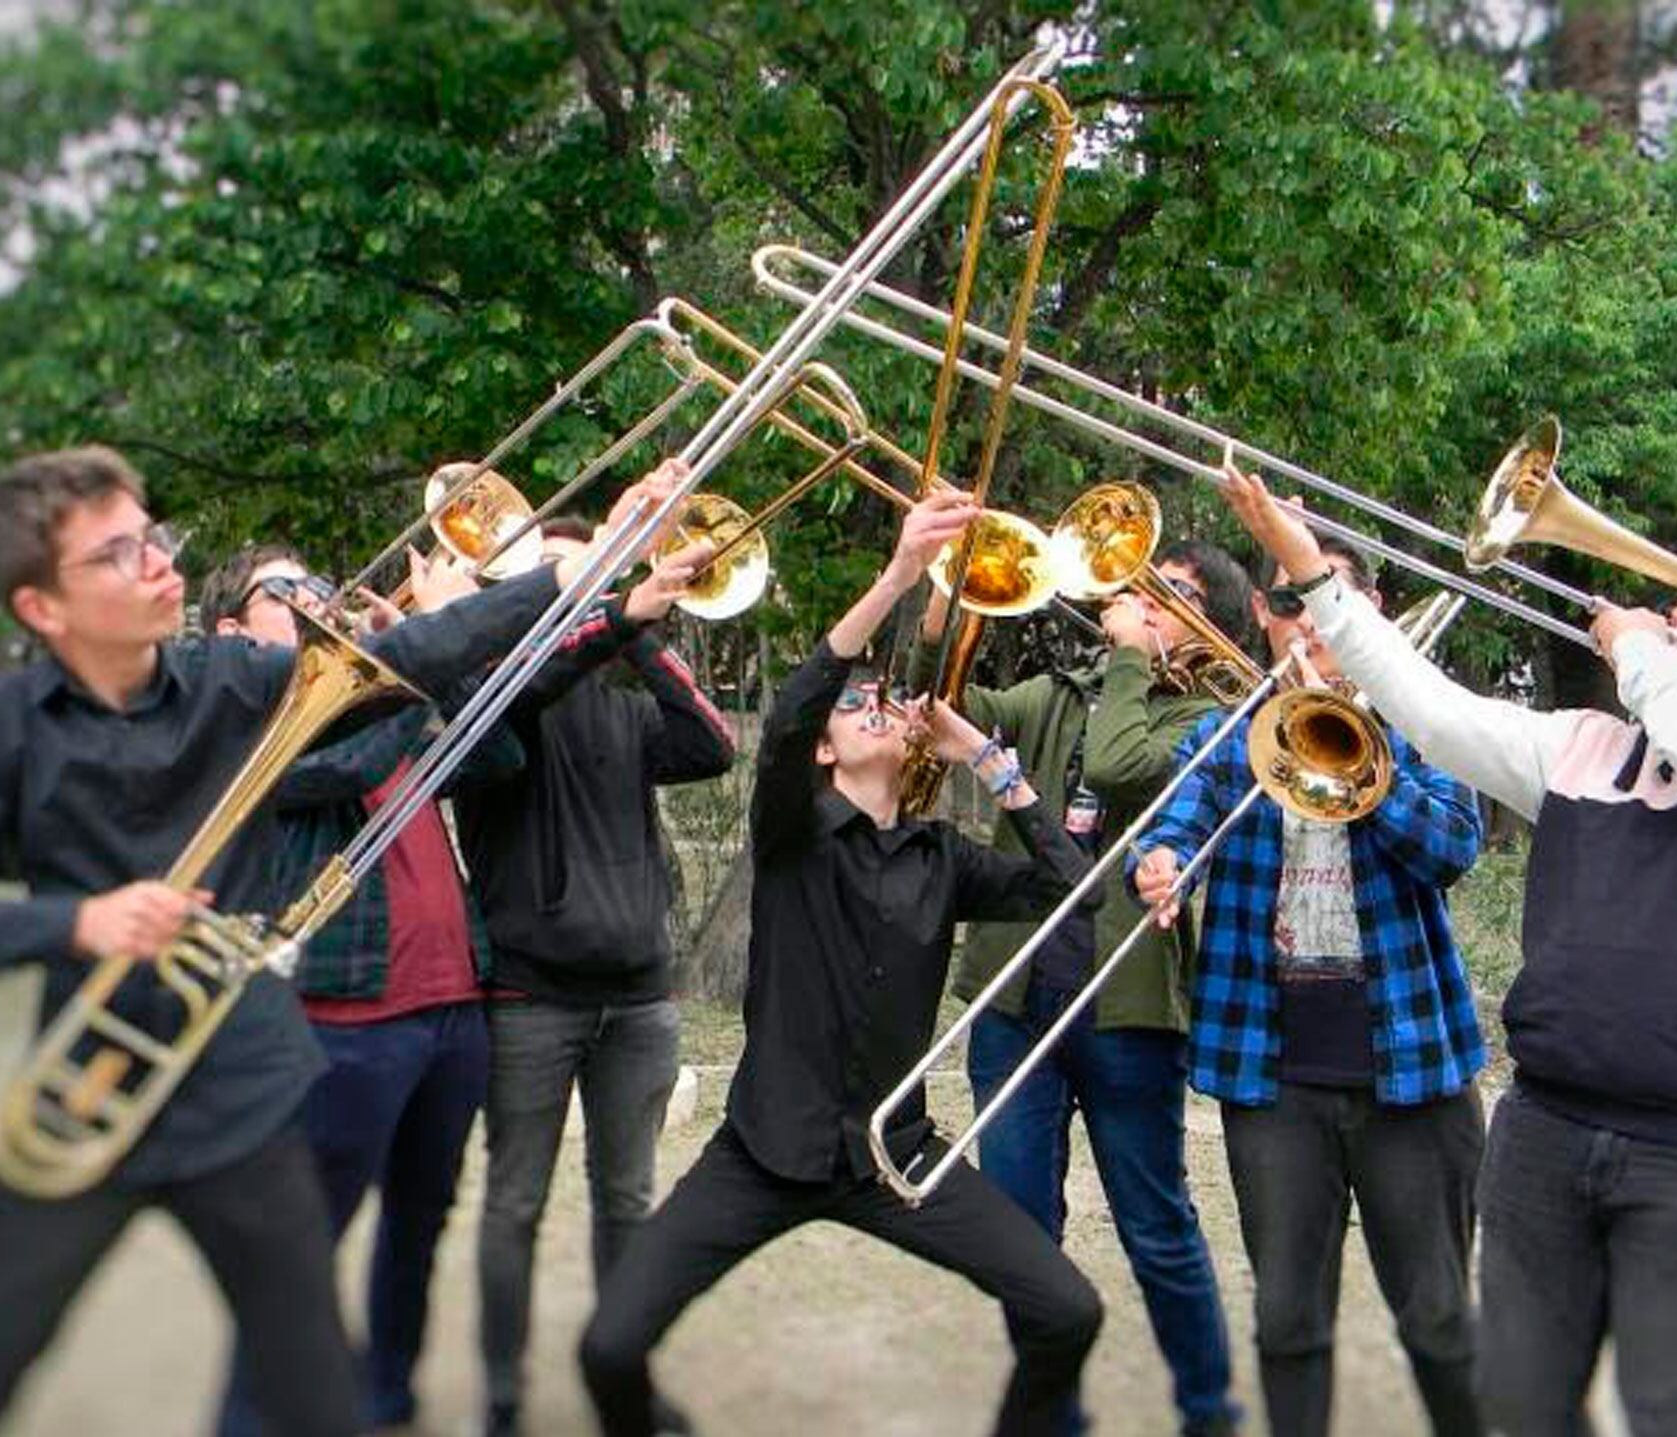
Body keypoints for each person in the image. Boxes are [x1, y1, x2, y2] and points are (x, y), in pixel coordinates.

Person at [0, 445, 666, 1433]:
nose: (160, 562)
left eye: (152, 536)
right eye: (116, 554)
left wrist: (589, 560)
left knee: (312, 1389)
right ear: (42, 607)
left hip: (244, 1098)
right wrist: (73, 922)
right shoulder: (11, 728)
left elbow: (422, 655)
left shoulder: (229, 681)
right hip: (86, 1096)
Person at [1216, 465, 1677, 1437]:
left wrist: (1642, 653)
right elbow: (1429, 710)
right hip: (1547, 1132)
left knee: (1669, 1417)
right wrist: (1309, 570)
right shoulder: (1585, 745)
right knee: (1518, 1408)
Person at [578, 489, 1105, 1437]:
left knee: (1069, 1310)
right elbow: (789, 713)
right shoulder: (793, 832)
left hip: (895, 1158)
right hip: (762, 1151)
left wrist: (991, 761)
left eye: (883, 703)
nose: (872, 707)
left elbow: (1077, 893)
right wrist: (901, 573)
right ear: (826, 750)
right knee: (608, 1350)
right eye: (852, 704)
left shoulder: (942, 857)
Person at [199, 509, 705, 1435]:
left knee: (418, 1224)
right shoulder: (247, 716)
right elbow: (343, 764)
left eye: (321, 587)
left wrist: (452, 656)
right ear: (234, 630)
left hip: (452, 1008)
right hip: (348, 1017)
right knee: (304, 1237)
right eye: (290, 590)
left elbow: (497, 750)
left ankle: (386, 1395)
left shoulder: (380, 697)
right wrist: (426, 656)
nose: (319, 599)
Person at [1131, 525, 1486, 1437]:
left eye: (1327, 602)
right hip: (1273, 1077)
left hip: (1413, 1073)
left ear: (1367, 612)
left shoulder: (1421, 722)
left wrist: (1357, 773)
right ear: (1264, 613)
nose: (1308, 625)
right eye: (1289, 603)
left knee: (1439, 1319)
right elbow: (1175, 823)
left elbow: (1454, 847)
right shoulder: (1228, 732)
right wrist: (1160, 863)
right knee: (1287, 1320)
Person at [910, 536, 1251, 1436]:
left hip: (1128, 1009)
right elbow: (944, 707)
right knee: (1022, 1234)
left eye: (1173, 595)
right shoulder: (1060, 691)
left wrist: (1132, 657)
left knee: (1157, 1229)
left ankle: (1209, 1412)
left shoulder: (1215, 717)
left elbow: (1118, 764)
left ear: (1209, 626)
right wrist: (946, 599)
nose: (1145, 603)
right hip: (1017, 1000)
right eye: (1143, 590)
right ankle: (1049, 1417)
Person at [454, 514, 737, 1437]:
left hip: (639, 999)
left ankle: (624, 1388)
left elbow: (714, 745)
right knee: (514, 1203)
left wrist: (637, 625)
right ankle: (502, 1395)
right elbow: (515, 694)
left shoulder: (624, 708)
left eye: (591, 573)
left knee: (627, 1202)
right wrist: (600, 615)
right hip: (530, 998)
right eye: (558, 573)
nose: (578, 586)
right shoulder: (497, 701)